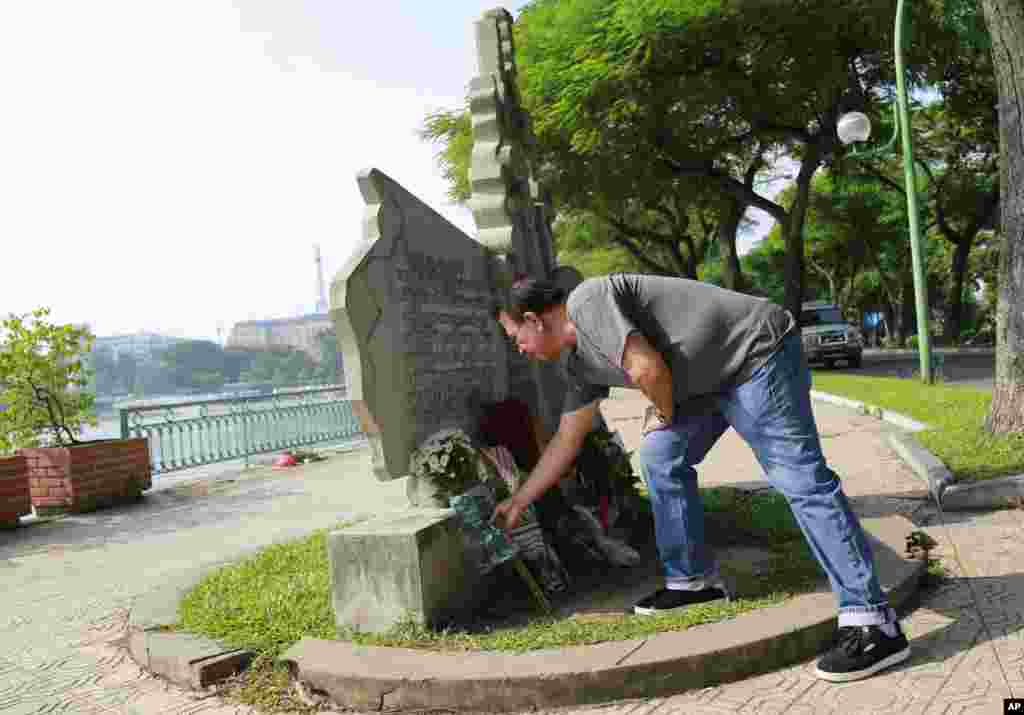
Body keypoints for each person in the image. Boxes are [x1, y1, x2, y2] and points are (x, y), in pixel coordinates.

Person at [490, 273, 910, 683]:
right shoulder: (579, 366)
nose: (521, 349)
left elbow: (646, 370)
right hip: (707, 382)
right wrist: (519, 501)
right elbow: (567, 439)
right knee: (659, 456)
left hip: (755, 352)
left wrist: (662, 412)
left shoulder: (587, 302)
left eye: (516, 338)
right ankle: (693, 581)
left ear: (533, 319)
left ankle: (873, 621)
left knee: (798, 477)